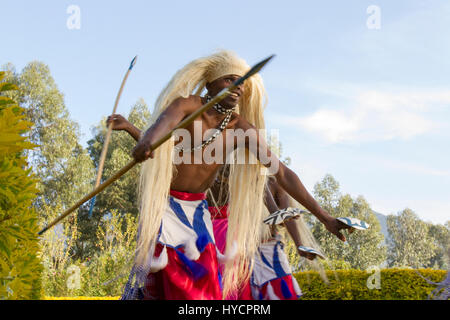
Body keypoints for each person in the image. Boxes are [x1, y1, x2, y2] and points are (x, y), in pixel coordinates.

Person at [109, 50, 351, 300]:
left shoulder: (241, 128)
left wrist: (325, 217)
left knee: (207, 290)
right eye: (229, 79)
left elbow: (283, 174)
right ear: (210, 84)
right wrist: (145, 142)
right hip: (167, 209)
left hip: (198, 213)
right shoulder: (186, 105)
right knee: (170, 285)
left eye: (242, 83)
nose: (237, 88)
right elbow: (160, 128)